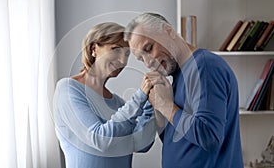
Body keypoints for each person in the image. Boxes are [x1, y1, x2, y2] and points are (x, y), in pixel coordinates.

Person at [124, 13, 244, 168]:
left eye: (149, 48)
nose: (148, 63)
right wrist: (159, 111)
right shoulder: (177, 76)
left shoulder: (205, 67)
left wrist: (165, 106)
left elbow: (209, 136)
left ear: (169, 31)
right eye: (141, 58)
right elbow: (179, 141)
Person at [53, 22, 159, 168]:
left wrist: (149, 103)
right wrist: (140, 96)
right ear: (94, 49)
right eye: (116, 49)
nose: (123, 60)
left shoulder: (118, 104)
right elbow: (100, 140)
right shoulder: (68, 89)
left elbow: (140, 144)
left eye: (127, 53)